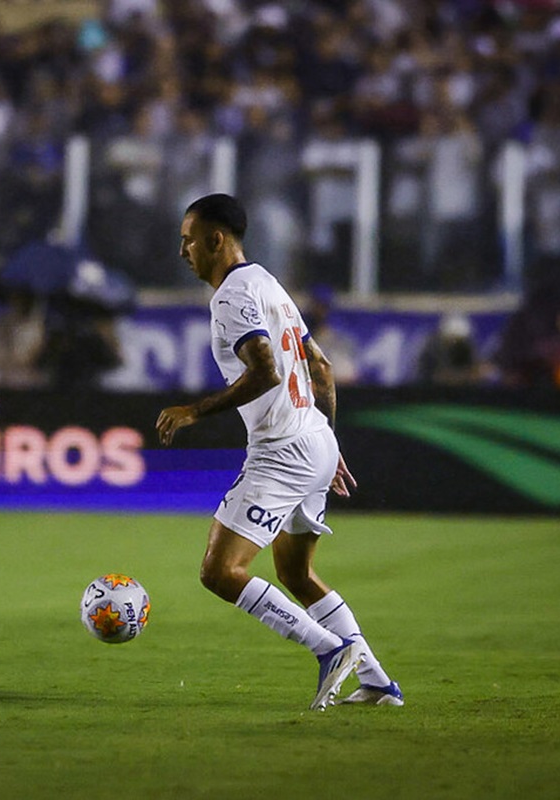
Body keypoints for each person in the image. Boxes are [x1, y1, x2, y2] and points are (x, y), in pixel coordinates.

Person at [156, 194, 401, 710]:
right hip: (314, 439)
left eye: (188, 240)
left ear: (215, 240)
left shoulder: (231, 297)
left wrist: (194, 411)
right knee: (295, 574)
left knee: (220, 571)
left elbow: (265, 371)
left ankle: (330, 648)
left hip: (282, 452)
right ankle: (378, 682)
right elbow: (321, 366)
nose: (183, 251)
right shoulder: (267, 282)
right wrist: (329, 442)